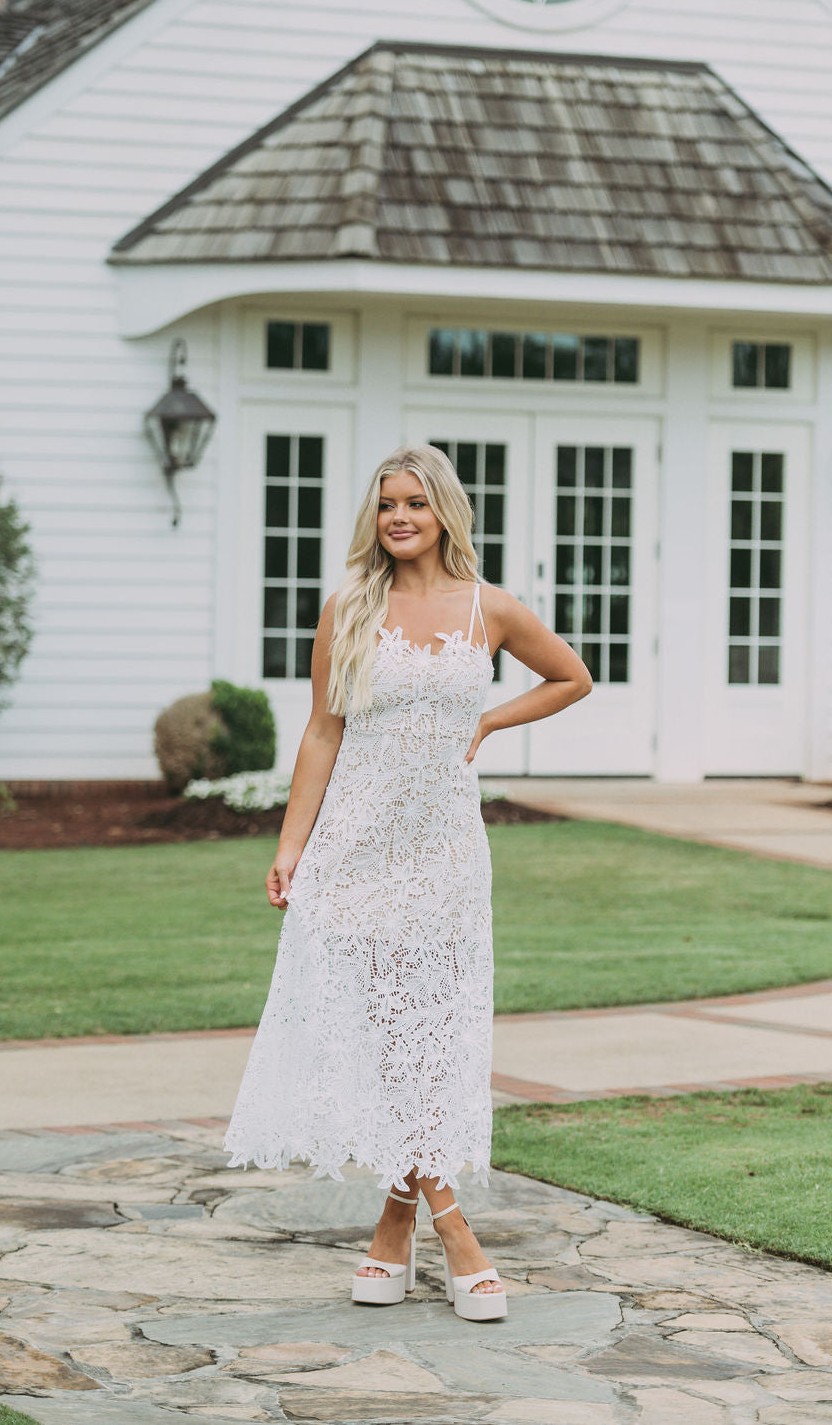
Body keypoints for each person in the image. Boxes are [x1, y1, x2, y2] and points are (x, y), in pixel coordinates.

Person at [224, 445, 591, 1321]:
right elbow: (321, 730)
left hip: (445, 854)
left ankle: (393, 1227)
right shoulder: (350, 607)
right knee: (388, 1032)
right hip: (355, 846)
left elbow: (574, 676)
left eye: (415, 504)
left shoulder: (488, 608)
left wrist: (491, 719)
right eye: (386, 503)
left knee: (427, 1033)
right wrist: (291, 844)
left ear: (444, 514)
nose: (398, 517)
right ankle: (456, 1233)